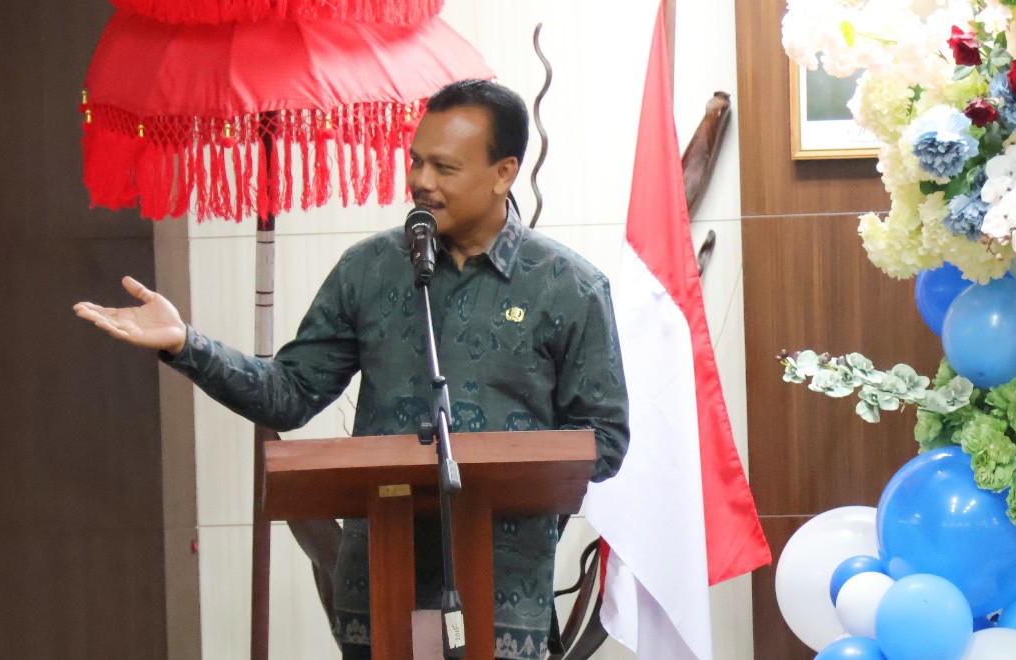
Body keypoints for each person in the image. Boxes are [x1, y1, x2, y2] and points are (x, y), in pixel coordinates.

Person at [74, 79, 629, 660]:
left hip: (503, 600)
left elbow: (606, 440)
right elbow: (289, 392)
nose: (421, 181)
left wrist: (499, 464)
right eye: (416, 161)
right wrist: (188, 344)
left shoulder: (569, 288)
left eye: (444, 167)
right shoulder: (370, 269)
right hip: (379, 595)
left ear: (504, 172)